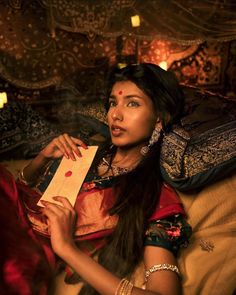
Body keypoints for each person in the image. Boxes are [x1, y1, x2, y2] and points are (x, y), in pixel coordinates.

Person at [0, 63, 191, 295]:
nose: (115, 114)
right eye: (113, 103)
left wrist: (67, 248)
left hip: (22, 258)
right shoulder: (83, 152)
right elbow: (21, 199)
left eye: (132, 103)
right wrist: (42, 158)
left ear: (159, 118)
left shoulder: (153, 196)